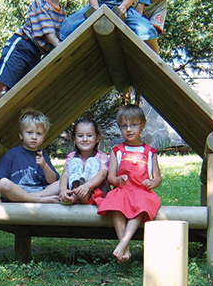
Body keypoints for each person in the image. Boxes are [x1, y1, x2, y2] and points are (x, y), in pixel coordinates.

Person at [95, 105, 161, 263]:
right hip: (123, 190)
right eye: (124, 126)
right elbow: (110, 177)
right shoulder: (117, 151)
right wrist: (117, 180)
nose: (129, 129)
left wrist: (152, 182)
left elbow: (157, 177)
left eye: (133, 125)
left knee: (141, 204)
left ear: (142, 125)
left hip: (142, 191)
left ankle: (124, 242)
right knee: (116, 205)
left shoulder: (149, 152)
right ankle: (126, 248)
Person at [0, 109, 60, 203]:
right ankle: (40, 200)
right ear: (21, 135)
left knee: (62, 183)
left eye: (39, 133)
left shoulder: (43, 156)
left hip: (38, 191)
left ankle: (31, 198)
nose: (34, 137)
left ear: (44, 137)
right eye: (30, 132)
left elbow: (52, 181)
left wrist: (45, 166)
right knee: (3, 183)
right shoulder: (12, 154)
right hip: (17, 190)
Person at [59, 117, 109, 205]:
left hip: (94, 193)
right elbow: (65, 174)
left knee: (93, 161)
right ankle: (75, 195)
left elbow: (102, 174)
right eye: (80, 136)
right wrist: (63, 190)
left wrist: (87, 186)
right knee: (75, 162)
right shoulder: (72, 156)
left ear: (97, 138)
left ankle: (86, 195)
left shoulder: (102, 156)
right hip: (74, 191)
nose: (85, 139)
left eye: (89, 135)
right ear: (74, 139)